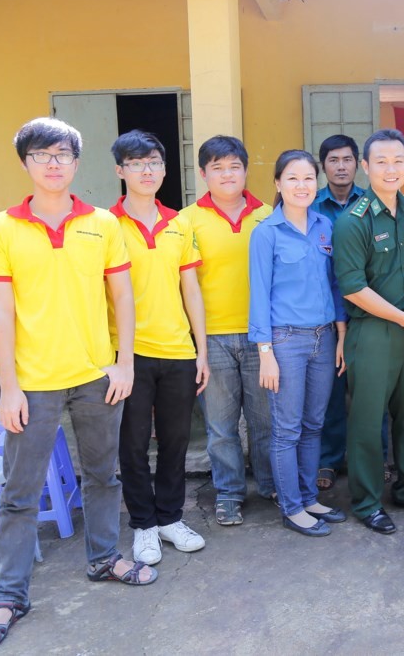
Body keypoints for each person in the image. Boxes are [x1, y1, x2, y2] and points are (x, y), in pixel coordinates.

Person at [0, 118, 155, 655]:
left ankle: (103, 558)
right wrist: (9, 388)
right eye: (42, 154)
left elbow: (122, 297)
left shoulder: (101, 223)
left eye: (63, 154)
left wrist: (124, 364)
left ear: (77, 163)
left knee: (103, 476)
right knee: (19, 494)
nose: (53, 163)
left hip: (97, 377)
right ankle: (7, 597)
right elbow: (1, 315)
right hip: (34, 384)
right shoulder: (0, 228)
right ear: (26, 163)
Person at [332, 129, 404, 534]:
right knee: (367, 420)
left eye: (398, 160)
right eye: (381, 161)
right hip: (375, 332)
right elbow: (353, 287)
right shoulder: (352, 221)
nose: (390, 169)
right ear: (365, 167)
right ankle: (365, 502)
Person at [108, 130, 208, 564]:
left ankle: (170, 518)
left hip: (178, 351)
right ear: (120, 170)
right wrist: (113, 359)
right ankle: (143, 526)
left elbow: (192, 290)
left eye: (153, 163)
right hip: (127, 354)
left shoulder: (180, 224)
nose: (146, 171)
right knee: (131, 444)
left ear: (165, 169)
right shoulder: (104, 225)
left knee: (176, 440)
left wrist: (200, 350)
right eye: (136, 163)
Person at [250, 150, 348, 537]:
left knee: (313, 425)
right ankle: (291, 507)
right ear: (277, 184)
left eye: (309, 178)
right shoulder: (266, 233)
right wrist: (265, 353)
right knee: (286, 429)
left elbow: (336, 286)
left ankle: (309, 498)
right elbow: (258, 294)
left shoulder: (325, 227)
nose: (302, 186)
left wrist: (341, 335)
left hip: (324, 339)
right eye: (292, 178)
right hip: (285, 341)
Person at [180, 135, 274, 527]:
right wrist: (196, 347)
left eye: (234, 165)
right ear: (203, 174)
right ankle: (230, 492)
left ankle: (271, 484)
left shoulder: (268, 214)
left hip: (262, 337)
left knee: (265, 419)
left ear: (246, 170)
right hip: (212, 338)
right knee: (220, 427)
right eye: (217, 167)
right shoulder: (186, 221)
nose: (227, 174)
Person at [309, 135, 380, 492]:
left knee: (372, 390)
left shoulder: (372, 204)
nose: (341, 166)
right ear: (323, 166)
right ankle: (329, 459)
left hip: (368, 310)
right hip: (324, 312)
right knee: (331, 391)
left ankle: (375, 458)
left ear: (358, 164)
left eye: (347, 159)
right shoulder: (312, 206)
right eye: (333, 160)